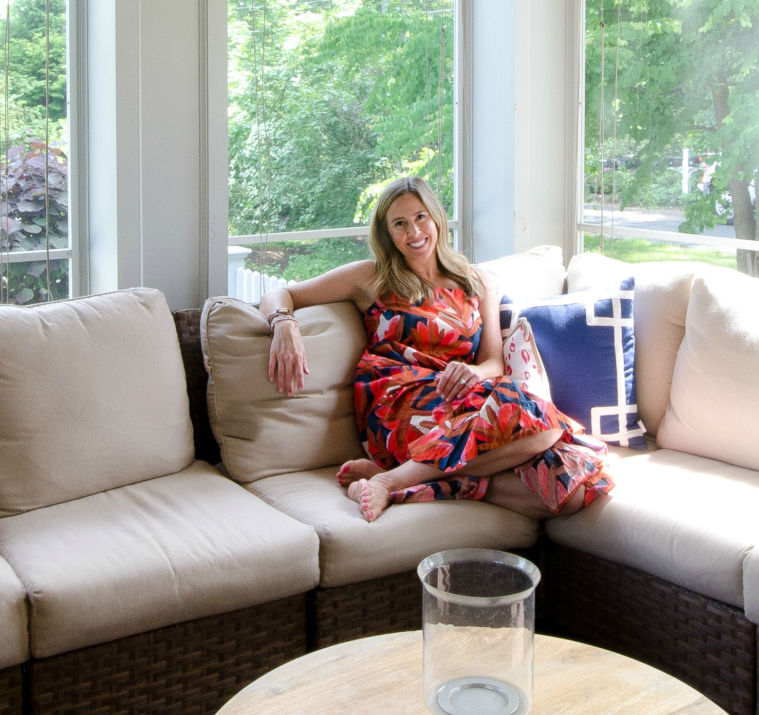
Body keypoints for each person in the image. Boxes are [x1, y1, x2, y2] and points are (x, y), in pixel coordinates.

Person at [261, 176, 613, 523]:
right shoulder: (371, 277)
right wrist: (284, 324)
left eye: (420, 218)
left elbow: (492, 361)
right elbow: (280, 295)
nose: (414, 233)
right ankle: (391, 478)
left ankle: (406, 481)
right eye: (400, 224)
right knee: (540, 423)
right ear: (387, 234)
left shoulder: (476, 282)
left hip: (463, 400)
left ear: (436, 219)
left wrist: (474, 372)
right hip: (400, 401)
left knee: (571, 493)